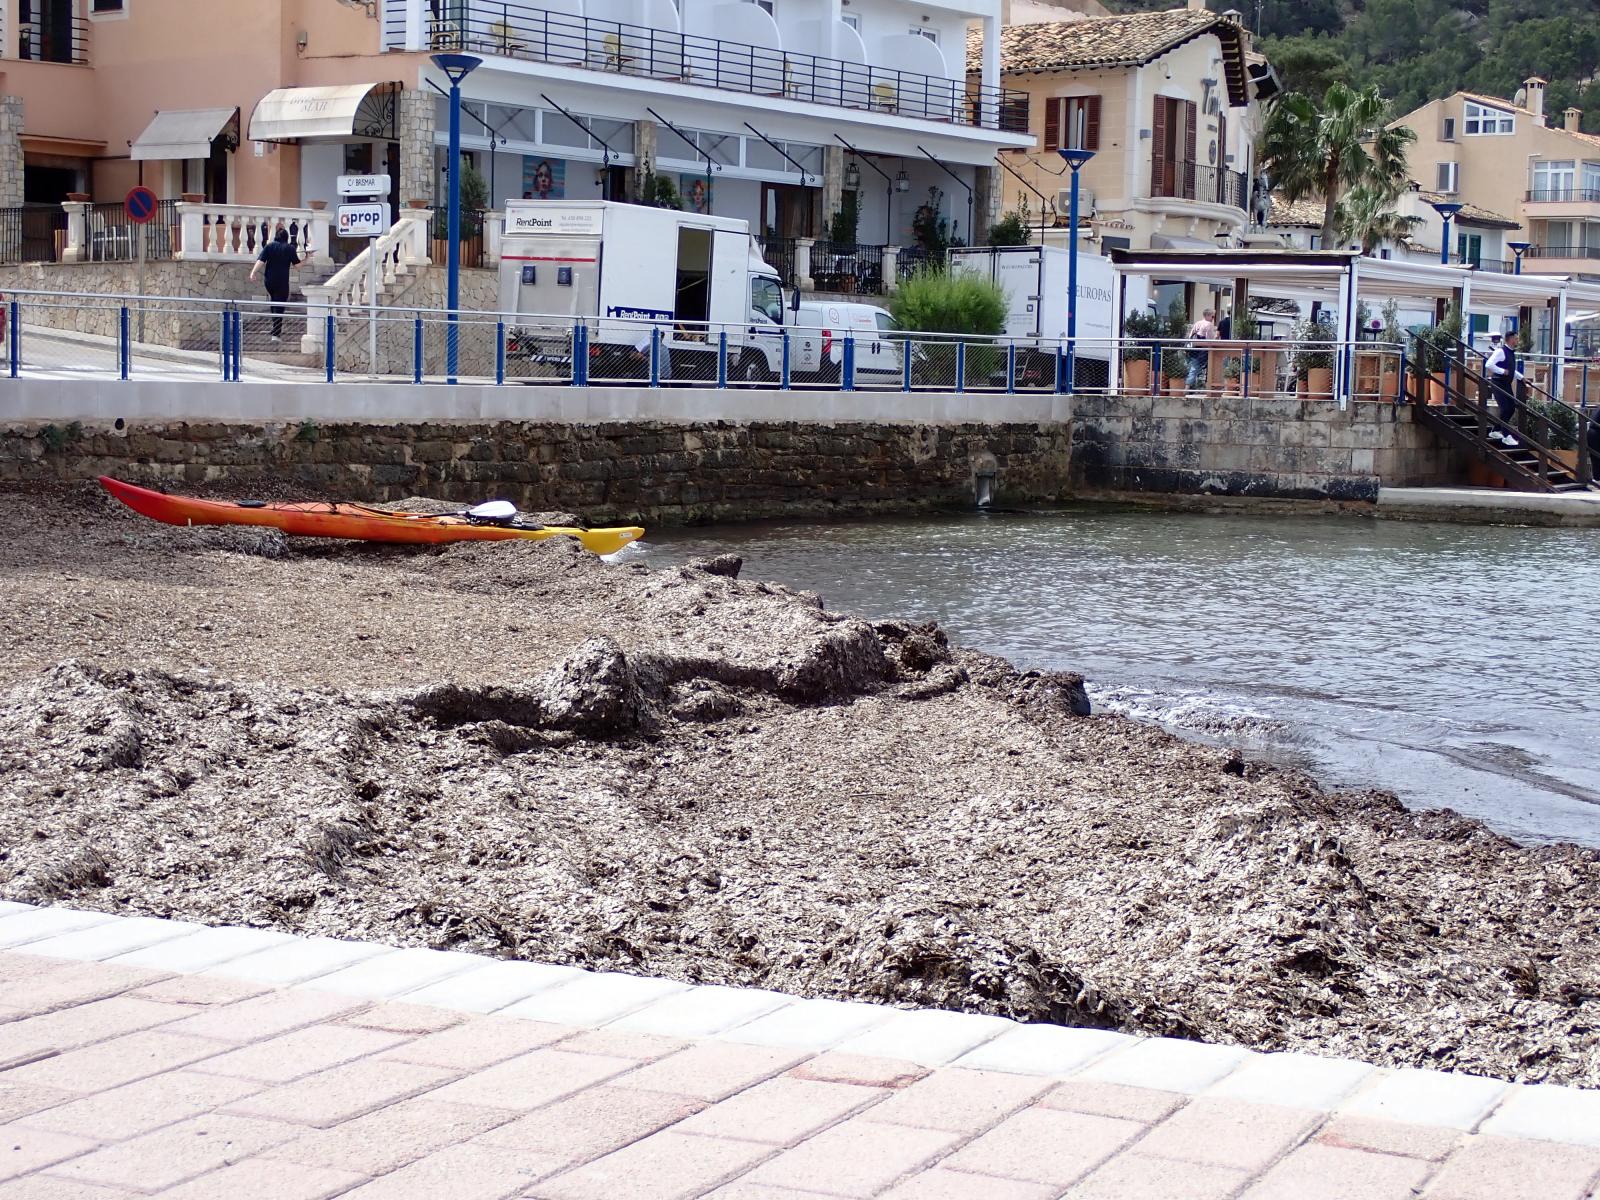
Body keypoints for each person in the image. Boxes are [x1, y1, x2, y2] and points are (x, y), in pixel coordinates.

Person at [248, 228, 300, 343]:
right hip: (282, 282)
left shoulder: (269, 246)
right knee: (279, 307)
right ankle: (276, 335)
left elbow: (261, 261)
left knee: (273, 302)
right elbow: (298, 266)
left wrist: (253, 272)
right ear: (286, 238)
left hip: (269, 281)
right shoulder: (290, 248)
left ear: (276, 237)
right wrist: (306, 258)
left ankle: (274, 329)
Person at [1484, 332, 1522, 448]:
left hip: (1506, 384)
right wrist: (1502, 371)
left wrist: (1521, 377)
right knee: (1505, 408)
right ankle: (1506, 436)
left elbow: (1510, 369)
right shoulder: (1501, 351)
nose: (1517, 340)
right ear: (1510, 339)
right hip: (1498, 383)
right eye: (1516, 338)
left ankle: (1495, 430)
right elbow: (1488, 364)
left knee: (1511, 408)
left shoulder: (1511, 353)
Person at [1186, 308, 1219, 392]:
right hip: (1202, 351)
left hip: (1193, 349)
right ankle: (1188, 388)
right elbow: (1210, 339)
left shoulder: (1197, 323)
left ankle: (1190, 387)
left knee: (1193, 367)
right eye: (1212, 316)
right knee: (1204, 368)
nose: (1213, 319)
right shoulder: (1208, 325)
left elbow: (1190, 335)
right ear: (1208, 315)